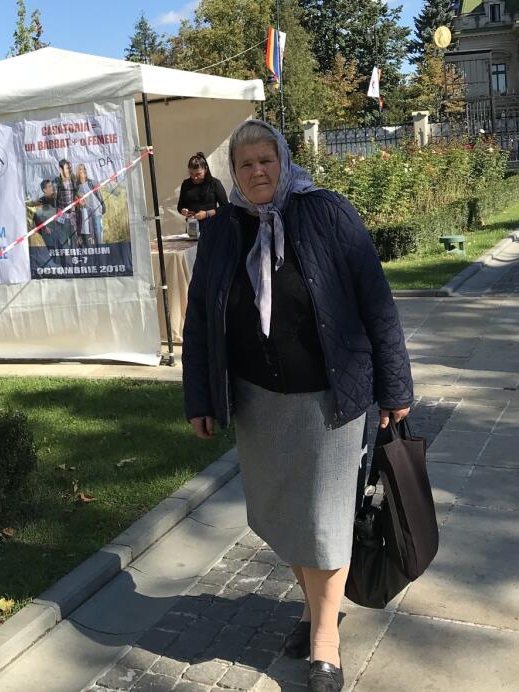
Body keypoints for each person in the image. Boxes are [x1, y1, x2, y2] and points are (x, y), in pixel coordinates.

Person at [182, 120, 413, 692]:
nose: (258, 172)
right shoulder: (221, 232)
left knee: (327, 523)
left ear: (284, 161)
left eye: (267, 160)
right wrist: (199, 398)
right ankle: (317, 608)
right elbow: (198, 324)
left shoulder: (327, 213)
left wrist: (397, 387)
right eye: (245, 165)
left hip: (331, 402)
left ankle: (324, 644)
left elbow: (376, 302)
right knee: (284, 518)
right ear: (232, 174)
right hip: (260, 404)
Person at [177, 152, 229, 225]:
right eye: (191, 174)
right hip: (192, 226)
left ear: (205, 169)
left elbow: (226, 208)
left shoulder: (215, 183)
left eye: (198, 174)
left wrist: (206, 214)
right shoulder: (186, 184)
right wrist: (183, 211)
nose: (195, 177)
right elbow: (180, 206)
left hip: (212, 226)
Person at [32, 179, 70, 249]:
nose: (52, 188)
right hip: (48, 232)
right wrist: (45, 227)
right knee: (53, 253)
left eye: (51, 186)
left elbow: (62, 214)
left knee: (63, 252)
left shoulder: (57, 200)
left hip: (60, 231)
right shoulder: (41, 201)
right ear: (44, 190)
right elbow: (37, 217)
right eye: (49, 186)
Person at [74, 163, 104, 246]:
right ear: (77, 172)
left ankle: (100, 256)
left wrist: (102, 206)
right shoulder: (76, 187)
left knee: (98, 238)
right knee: (89, 241)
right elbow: (77, 202)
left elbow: (99, 196)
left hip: (96, 212)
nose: (83, 170)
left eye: (84, 169)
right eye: (80, 169)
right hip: (86, 217)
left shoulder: (91, 182)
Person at [53, 158, 77, 244]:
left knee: (74, 241)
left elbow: (76, 195)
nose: (68, 170)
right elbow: (54, 200)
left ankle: (75, 257)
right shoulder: (56, 182)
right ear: (60, 169)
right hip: (62, 217)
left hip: (72, 216)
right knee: (64, 242)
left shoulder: (73, 180)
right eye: (66, 168)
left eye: (68, 168)